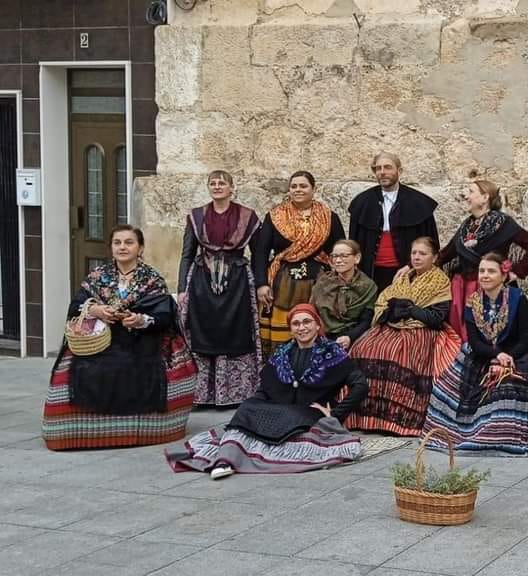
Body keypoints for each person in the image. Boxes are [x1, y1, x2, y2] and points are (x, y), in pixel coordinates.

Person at [166, 305, 365, 479]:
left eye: (307, 322)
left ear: (317, 325)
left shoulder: (333, 353)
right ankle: (224, 461)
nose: (302, 327)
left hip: (306, 412)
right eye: (296, 324)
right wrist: (252, 407)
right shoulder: (282, 353)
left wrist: (337, 414)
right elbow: (266, 387)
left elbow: (360, 385)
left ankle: (230, 460)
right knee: (246, 409)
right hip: (277, 407)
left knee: (267, 419)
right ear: (291, 328)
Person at [43, 226, 196, 450]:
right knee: (78, 367)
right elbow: (76, 306)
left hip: (142, 338)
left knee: (135, 365)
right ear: (111, 247)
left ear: (140, 248)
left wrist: (139, 320)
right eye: (117, 243)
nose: (122, 247)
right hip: (102, 339)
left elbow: (164, 315)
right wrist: (95, 310)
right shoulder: (98, 276)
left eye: (129, 242)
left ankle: (141, 429)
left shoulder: (151, 279)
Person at [424, 253, 528, 455]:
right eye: (482, 271)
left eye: (491, 271)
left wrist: (508, 357)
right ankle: (468, 432)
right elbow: (473, 341)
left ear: (503, 275)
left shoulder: (517, 299)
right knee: (446, 387)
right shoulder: (473, 302)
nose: (485, 275)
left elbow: (526, 337)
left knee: (507, 387)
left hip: (519, 352)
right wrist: (496, 355)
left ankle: (507, 434)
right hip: (485, 353)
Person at [343, 237, 461, 436]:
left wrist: (411, 309)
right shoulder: (403, 278)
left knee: (397, 354)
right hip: (393, 326)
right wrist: (392, 310)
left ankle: (398, 418)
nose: (416, 257)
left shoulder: (440, 280)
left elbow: (437, 318)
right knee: (362, 347)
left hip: (422, 330)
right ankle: (365, 415)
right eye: (414, 253)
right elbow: (384, 304)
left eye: (422, 253)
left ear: (434, 257)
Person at [178, 170, 262, 407]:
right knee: (203, 331)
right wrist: (182, 287)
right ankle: (203, 395)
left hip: (237, 281)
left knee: (235, 331)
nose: (217, 187)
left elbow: (258, 256)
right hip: (202, 282)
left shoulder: (247, 216)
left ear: (231, 188)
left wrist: (260, 285)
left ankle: (235, 393)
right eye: (212, 183)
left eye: (222, 183)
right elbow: (186, 254)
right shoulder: (196, 216)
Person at [253, 171, 345, 357]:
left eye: (303, 186)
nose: (298, 190)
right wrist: (262, 283)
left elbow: (340, 249)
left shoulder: (329, 217)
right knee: (284, 335)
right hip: (282, 283)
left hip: (320, 284)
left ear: (313, 189)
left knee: (315, 325)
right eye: (294, 186)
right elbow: (261, 252)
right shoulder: (275, 216)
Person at [437, 180, 528, 340]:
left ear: (485, 197)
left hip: (489, 288)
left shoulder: (502, 223)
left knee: (489, 335)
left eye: (471, 191)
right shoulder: (467, 226)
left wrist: (517, 272)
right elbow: (446, 254)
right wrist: (413, 266)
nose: (466, 195)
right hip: (462, 288)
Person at [348, 152, 439, 291]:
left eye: (388, 167)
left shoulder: (419, 202)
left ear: (399, 171)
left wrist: (411, 265)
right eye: (378, 168)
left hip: (409, 272)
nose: (382, 172)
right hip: (371, 274)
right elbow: (354, 243)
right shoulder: (362, 202)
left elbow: (431, 244)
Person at [310, 239, 378, 351]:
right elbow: (313, 313)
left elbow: (366, 320)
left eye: (344, 256)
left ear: (357, 258)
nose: (338, 260)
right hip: (323, 335)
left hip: (354, 336)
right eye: (334, 256)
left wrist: (349, 337)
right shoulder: (323, 283)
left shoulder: (368, 286)